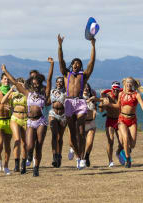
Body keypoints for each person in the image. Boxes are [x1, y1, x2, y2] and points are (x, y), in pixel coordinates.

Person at [1, 58, 53, 177]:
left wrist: (52, 65)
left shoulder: (44, 93)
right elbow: (14, 82)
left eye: (37, 83)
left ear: (40, 83)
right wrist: (5, 70)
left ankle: (36, 168)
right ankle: (29, 155)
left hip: (41, 121)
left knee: (38, 146)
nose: (35, 85)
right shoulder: (27, 93)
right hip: (30, 121)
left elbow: (49, 80)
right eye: (33, 83)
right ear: (31, 84)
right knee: (29, 146)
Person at [57, 34, 96, 169]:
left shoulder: (83, 76)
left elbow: (92, 62)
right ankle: (78, 156)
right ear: (71, 65)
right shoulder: (66, 74)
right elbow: (61, 61)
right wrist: (60, 46)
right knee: (73, 134)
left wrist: (93, 46)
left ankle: (83, 157)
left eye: (78, 63)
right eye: (74, 63)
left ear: (80, 66)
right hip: (68, 103)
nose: (76, 65)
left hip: (80, 102)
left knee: (81, 130)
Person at [104, 77, 143, 168]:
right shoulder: (121, 94)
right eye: (127, 82)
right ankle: (128, 159)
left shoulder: (136, 95)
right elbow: (118, 105)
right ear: (124, 84)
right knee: (125, 138)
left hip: (132, 120)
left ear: (133, 84)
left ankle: (125, 150)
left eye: (130, 83)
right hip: (122, 119)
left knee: (133, 144)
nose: (128, 84)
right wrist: (109, 104)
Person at [1, 77, 28, 174]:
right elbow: (3, 101)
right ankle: (16, 163)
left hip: (25, 118)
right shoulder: (13, 94)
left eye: (22, 84)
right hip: (15, 118)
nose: (20, 86)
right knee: (17, 140)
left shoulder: (27, 93)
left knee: (25, 143)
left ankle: (23, 164)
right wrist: (11, 90)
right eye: (18, 84)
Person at [99, 81, 124, 167]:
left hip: (119, 120)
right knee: (111, 141)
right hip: (110, 120)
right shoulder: (107, 96)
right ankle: (110, 161)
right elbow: (101, 110)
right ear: (112, 89)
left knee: (123, 142)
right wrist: (102, 101)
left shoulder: (121, 95)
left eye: (117, 89)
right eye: (114, 89)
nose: (116, 91)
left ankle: (117, 153)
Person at [47, 76, 67, 168]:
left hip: (63, 115)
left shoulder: (66, 92)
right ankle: (54, 156)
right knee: (54, 135)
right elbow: (47, 101)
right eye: (57, 82)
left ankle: (59, 155)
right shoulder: (52, 91)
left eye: (61, 82)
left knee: (60, 137)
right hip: (53, 113)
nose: (59, 83)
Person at [82, 83, 98, 167]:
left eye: (87, 87)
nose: (86, 89)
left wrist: (95, 112)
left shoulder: (92, 96)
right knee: (81, 142)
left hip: (91, 122)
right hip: (81, 123)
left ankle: (87, 156)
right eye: (84, 87)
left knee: (90, 142)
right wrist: (88, 100)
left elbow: (95, 107)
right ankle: (81, 158)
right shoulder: (79, 96)